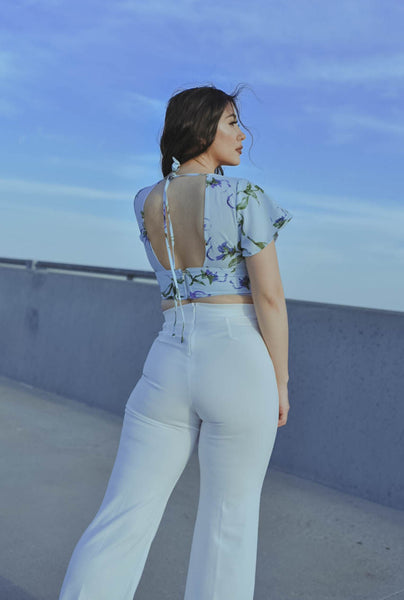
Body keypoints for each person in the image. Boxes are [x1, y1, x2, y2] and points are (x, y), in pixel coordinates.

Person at [58, 84, 293, 600]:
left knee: (124, 514)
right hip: (236, 356)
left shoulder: (147, 200)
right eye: (231, 122)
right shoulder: (244, 196)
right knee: (228, 523)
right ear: (203, 128)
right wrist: (280, 380)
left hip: (168, 355)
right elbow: (270, 299)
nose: (242, 133)